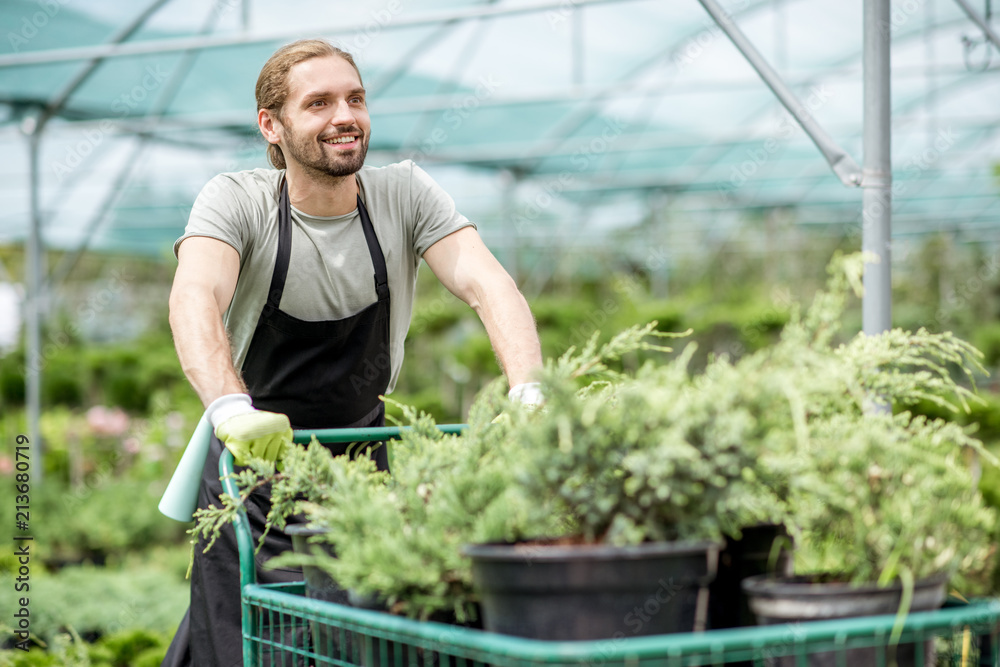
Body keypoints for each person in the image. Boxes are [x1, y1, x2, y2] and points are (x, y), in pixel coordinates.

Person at [161, 39, 543, 667]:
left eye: (356, 98)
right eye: (319, 104)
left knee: (361, 644)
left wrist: (529, 392)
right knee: (247, 642)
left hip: (362, 467)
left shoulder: (406, 194)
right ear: (272, 126)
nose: (345, 115)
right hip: (253, 473)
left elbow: (488, 285)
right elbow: (194, 296)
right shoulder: (237, 201)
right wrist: (230, 408)